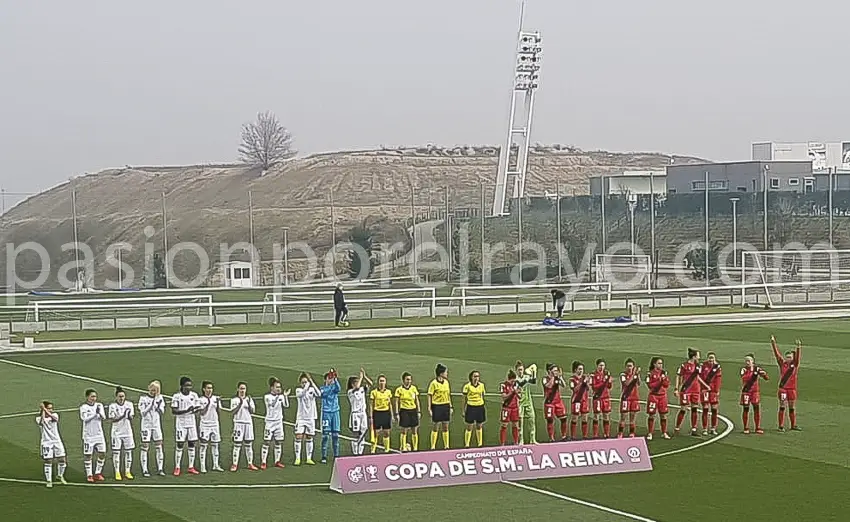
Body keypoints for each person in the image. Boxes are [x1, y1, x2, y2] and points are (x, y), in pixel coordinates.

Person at [171, 376, 200, 476]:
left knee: (192, 444)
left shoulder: (194, 395)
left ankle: (191, 467)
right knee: (180, 444)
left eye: (190, 385)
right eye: (187, 385)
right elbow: (174, 411)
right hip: (181, 424)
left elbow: (198, 407)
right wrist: (187, 410)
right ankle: (177, 467)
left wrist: (195, 409)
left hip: (191, 423)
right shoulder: (177, 396)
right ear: (182, 386)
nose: (189, 387)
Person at [772, 335, 802, 432]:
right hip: (783, 389)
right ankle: (781, 426)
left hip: (792, 389)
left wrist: (798, 347)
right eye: (787, 357)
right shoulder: (782, 364)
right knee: (782, 406)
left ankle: (793, 425)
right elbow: (777, 355)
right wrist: (773, 343)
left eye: (790, 357)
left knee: (792, 407)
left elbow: (798, 358)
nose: (788, 359)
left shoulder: (794, 365)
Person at [674, 348, 708, 436]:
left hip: (696, 390)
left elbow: (697, 377)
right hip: (686, 389)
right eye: (698, 355)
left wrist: (705, 385)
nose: (699, 357)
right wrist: (676, 388)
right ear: (694, 356)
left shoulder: (698, 366)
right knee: (683, 409)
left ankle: (694, 429)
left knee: (694, 409)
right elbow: (678, 376)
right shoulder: (684, 365)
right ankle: (677, 427)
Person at [138, 380, 166, 477]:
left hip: (156, 425)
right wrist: (151, 404)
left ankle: (160, 468)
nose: (154, 392)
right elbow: (143, 412)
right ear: (149, 388)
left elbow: (162, 411)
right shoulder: (143, 399)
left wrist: (158, 406)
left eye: (156, 390)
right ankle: (145, 469)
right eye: (152, 390)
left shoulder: (160, 398)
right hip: (146, 425)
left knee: (159, 445)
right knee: (145, 446)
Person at [37, 401, 67, 487]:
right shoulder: (38, 418)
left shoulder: (55, 415)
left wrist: (45, 409)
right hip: (46, 442)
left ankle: (60, 476)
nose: (51, 410)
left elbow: (55, 419)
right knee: (48, 460)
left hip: (57, 440)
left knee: (62, 459)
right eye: (49, 408)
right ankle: (49, 480)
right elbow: (41, 422)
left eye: (51, 408)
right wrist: (43, 410)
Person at [79, 388, 107, 482]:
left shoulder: (99, 405)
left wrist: (99, 413)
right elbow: (84, 419)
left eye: (95, 396)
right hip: (88, 436)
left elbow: (103, 417)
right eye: (92, 396)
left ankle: (98, 473)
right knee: (88, 455)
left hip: (99, 434)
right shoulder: (84, 407)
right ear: (87, 397)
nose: (94, 398)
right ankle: (89, 475)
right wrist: (95, 413)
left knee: (102, 453)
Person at [262, 377, 290, 469]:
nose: (279, 389)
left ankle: (277, 461)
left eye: (279, 387)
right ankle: (263, 462)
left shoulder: (281, 397)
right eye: (277, 387)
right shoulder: (267, 397)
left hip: (279, 422)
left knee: (278, 441)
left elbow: (286, 405)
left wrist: (285, 396)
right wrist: (278, 396)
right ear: (272, 388)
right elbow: (272, 405)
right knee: (267, 441)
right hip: (269, 423)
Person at [108, 386, 135, 481]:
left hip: (127, 432)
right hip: (116, 433)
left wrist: (128, 415)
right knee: (117, 452)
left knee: (128, 451)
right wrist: (123, 415)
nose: (121, 398)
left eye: (123, 396)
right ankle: (117, 472)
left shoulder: (129, 404)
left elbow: (131, 417)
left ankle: (127, 471)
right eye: (120, 396)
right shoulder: (112, 406)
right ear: (116, 397)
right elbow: (112, 419)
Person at [198, 381, 225, 473]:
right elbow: (202, 412)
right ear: (204, 389)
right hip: (205, 425)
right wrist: (209, 403)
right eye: (208, 388)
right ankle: (202, 466)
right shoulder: (200, 400)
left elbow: (219, 411)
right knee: (203, 445)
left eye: (211, 388)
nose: (210, 390)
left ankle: (216, 465)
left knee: (215, 444)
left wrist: (217, 403)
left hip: (215, 424)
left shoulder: (215, 398)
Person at [294, 373, 320, 465]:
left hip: (311, 418)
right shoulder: (298, 390)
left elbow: (319, 394)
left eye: (306, 382)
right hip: (301, 418)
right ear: (300, 383)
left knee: (309, 437)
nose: (304, 384)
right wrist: (306, 386)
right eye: (303, 382)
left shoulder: (312, 390)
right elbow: (301, 394)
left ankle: (309, 458)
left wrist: (312, 382)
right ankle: (297, 458)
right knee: (298, 436)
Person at [230, 381, 257, 471]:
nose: (242, 390)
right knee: (237, 445)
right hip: (238, 423)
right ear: (237, 389)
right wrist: (240, 404)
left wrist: (248, 403)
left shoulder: (249, 399)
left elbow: (253, 411)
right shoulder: (234, 400)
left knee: (249, 444)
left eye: (244, 389)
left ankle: (250, 463)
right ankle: (234, 464)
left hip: (248, 423)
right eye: (241, 388)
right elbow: (233, 412)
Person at [740, 353, 769, 434]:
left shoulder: (757, 369)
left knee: (756, 408)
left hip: (755, 392)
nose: (747, 362)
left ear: (753, 361)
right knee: (746, 409)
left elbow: (766, 378)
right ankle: (746, 427)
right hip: (746, 391)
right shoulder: (744, 369)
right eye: (746, 361)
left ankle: (757, 427)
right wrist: (754, 373)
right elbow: (744, 378)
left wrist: (764, 374)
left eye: (748, 360)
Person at [347, 368, 372, 455]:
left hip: (363, 413)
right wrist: (361, 377)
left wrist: (364, 376)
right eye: (356, 382)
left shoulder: (361, 389)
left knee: (363, 431)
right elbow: (357, 387)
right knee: (356, 433)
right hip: (355, 414)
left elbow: (370, 384)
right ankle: (355, 451)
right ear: (352, 384)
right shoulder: (350, 392)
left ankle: (360, 451)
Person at [645, 356, 671, 440]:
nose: (661, 365)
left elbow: (667, 385)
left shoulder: (664, 373)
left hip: (662, 396)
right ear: (654, 364)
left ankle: (664, 432)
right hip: (653, 396)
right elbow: (650, 386)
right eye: (659, 363)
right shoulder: (650, 374)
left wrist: (664, 380)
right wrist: (660, 381)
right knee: (652, 415)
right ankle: (650, 433)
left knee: (663, 415)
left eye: (661, 363)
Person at [428, 363, 452, 449]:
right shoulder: (433, 383)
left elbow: (448, 395)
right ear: (441, 373)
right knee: (436, 426)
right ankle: (433, 446)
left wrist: (450, 406)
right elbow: (430, 395)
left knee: (445, 426)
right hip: (437, 406)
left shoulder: (446, 382)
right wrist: (429, 408)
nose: (447, 374)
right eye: (446, 372)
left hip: (445, 405)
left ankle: (446, 446)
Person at [394, 371, 420, 452]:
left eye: (410, 379)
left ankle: (415, 448)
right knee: (404, 430)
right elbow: (396, 402)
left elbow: (417, 400)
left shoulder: (413, 388)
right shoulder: (399, 390)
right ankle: (403, 447)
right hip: (404, 410)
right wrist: (397, 413)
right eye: (407, 379)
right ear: (403, 380)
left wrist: (418, 411)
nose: (409, 381)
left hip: (413, 410)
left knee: (414, 429)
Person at [320, 369, 342, 463]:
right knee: (325, 436)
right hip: (326, 413)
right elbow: (324, 393)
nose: (330, 380)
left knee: (336, 435)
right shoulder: (322, 389)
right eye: (329, 378)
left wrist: (335, 379)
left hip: (335, 412)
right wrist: (330, 385)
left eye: (331, 378)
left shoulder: (335, 387)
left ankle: (336, 455)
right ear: (325, 380)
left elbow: (339, 388)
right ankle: (324, 456)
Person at [543, 363, 568, 441]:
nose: (556, 372)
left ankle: (564, 436)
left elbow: (564, 385)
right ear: (549, 371)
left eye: (556, 370)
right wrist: (553, 377)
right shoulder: (545, 379)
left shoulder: (557, 378)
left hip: (558, 401)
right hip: (549, 402)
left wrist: (560, 377)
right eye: (554, 370)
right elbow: (549, 386)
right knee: (550, 420)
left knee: (563, 418)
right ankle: (551, 438)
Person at [699, 352, 723, 436]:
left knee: (714, 409)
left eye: (712, 358)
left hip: (713, 391)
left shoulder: (717, 367)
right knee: (705, 408)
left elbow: (718, 379)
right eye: (710, 358)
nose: (711, 360)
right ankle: (705, 428)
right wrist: (702, 388)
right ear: (707, 358)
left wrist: (717, 390)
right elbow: (700, 377)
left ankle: (713, 428)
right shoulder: (703, 366)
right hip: (705, 390)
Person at [515, 361, 538, 444]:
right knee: (520, 421)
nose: (521, 371)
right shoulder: (515, 379)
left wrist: (534, 372)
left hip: (528, 402)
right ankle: (521, 440)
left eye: (522, 369)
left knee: (532, 419)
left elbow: (533, 382)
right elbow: (520, 384)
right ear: (516, 371)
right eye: (519, 370)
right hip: (519, 402)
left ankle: (533, 439)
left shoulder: (526, 377)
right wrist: (527, 378)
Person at [370, 375, 393, 453]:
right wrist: (370, 416)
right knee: (376, 433)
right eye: (380, 381)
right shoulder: (374, 392)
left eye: (383, 381)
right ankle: (373, 450)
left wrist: (392, 415)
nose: (382, 383)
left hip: (386, 413)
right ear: (378, 382)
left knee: (386, 432)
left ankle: (387, 449)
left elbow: (390, 404)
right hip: (377, 413)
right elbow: (371, 404)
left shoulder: (388, 392)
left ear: (385, 382)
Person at [462, 370, 486, 448]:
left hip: (480, 407)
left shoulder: (482, 385)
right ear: (471, 377)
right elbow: (464, 399)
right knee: (469, 426)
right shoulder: (467, 386)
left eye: (478, 376)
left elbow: (482, 395)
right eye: (475, 376)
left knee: (479, 425)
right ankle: (467, 444)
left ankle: (480, 443)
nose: (476, 378)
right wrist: (463, 409)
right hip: (471, 407)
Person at [618, 358, 641, 438]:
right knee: (623, 417)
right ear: (625, 367)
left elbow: (639, 383)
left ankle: (632, 433)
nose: (629, 368)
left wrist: (637, 375)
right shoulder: (623, 375)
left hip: (634, 398)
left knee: (632, 416)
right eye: (628, 366)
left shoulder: (635, 375)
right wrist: (634, 374)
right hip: (626, 398)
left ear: (633, 366)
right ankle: (620, 433)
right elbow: (626, 383)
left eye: (631, 366)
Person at [590, 359, 613, 438]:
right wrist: (603, 382)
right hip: (598, 397)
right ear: (597, 366)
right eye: (600, 365)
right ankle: (595, 435)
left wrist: (609, 381)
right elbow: (594, 387)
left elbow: (609, 387)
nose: (602, 367)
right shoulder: (593, 375)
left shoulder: (606, 374)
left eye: (603, 365)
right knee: (596, 415)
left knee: (606, 415)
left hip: (606, 397)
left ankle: (607, 434)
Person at [569, 361, 591, 439]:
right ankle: (573, 436)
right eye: (580, 369)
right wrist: (582, 382)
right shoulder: (572, 379)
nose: (581, 371)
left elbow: (588, 388)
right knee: (575, 418)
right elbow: (574, 389)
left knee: (585, 418)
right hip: (576, 401)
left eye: (582, 369)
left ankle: (585, 436)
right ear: (575, 370)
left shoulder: (584, 377)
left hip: (584, 400)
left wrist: (587, 382)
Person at [499, 370, 521, 445]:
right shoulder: (503, 385)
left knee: (515, 425)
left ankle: (516, 442)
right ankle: (502, 444)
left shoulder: (516, 385)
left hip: (515, 407)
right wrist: (512, 392)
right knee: (504, 425)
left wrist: (518, 393)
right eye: (512, 381)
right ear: (509, 379)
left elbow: (520, 397)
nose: (513, 382)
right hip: (506, 407)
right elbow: (504, 397)